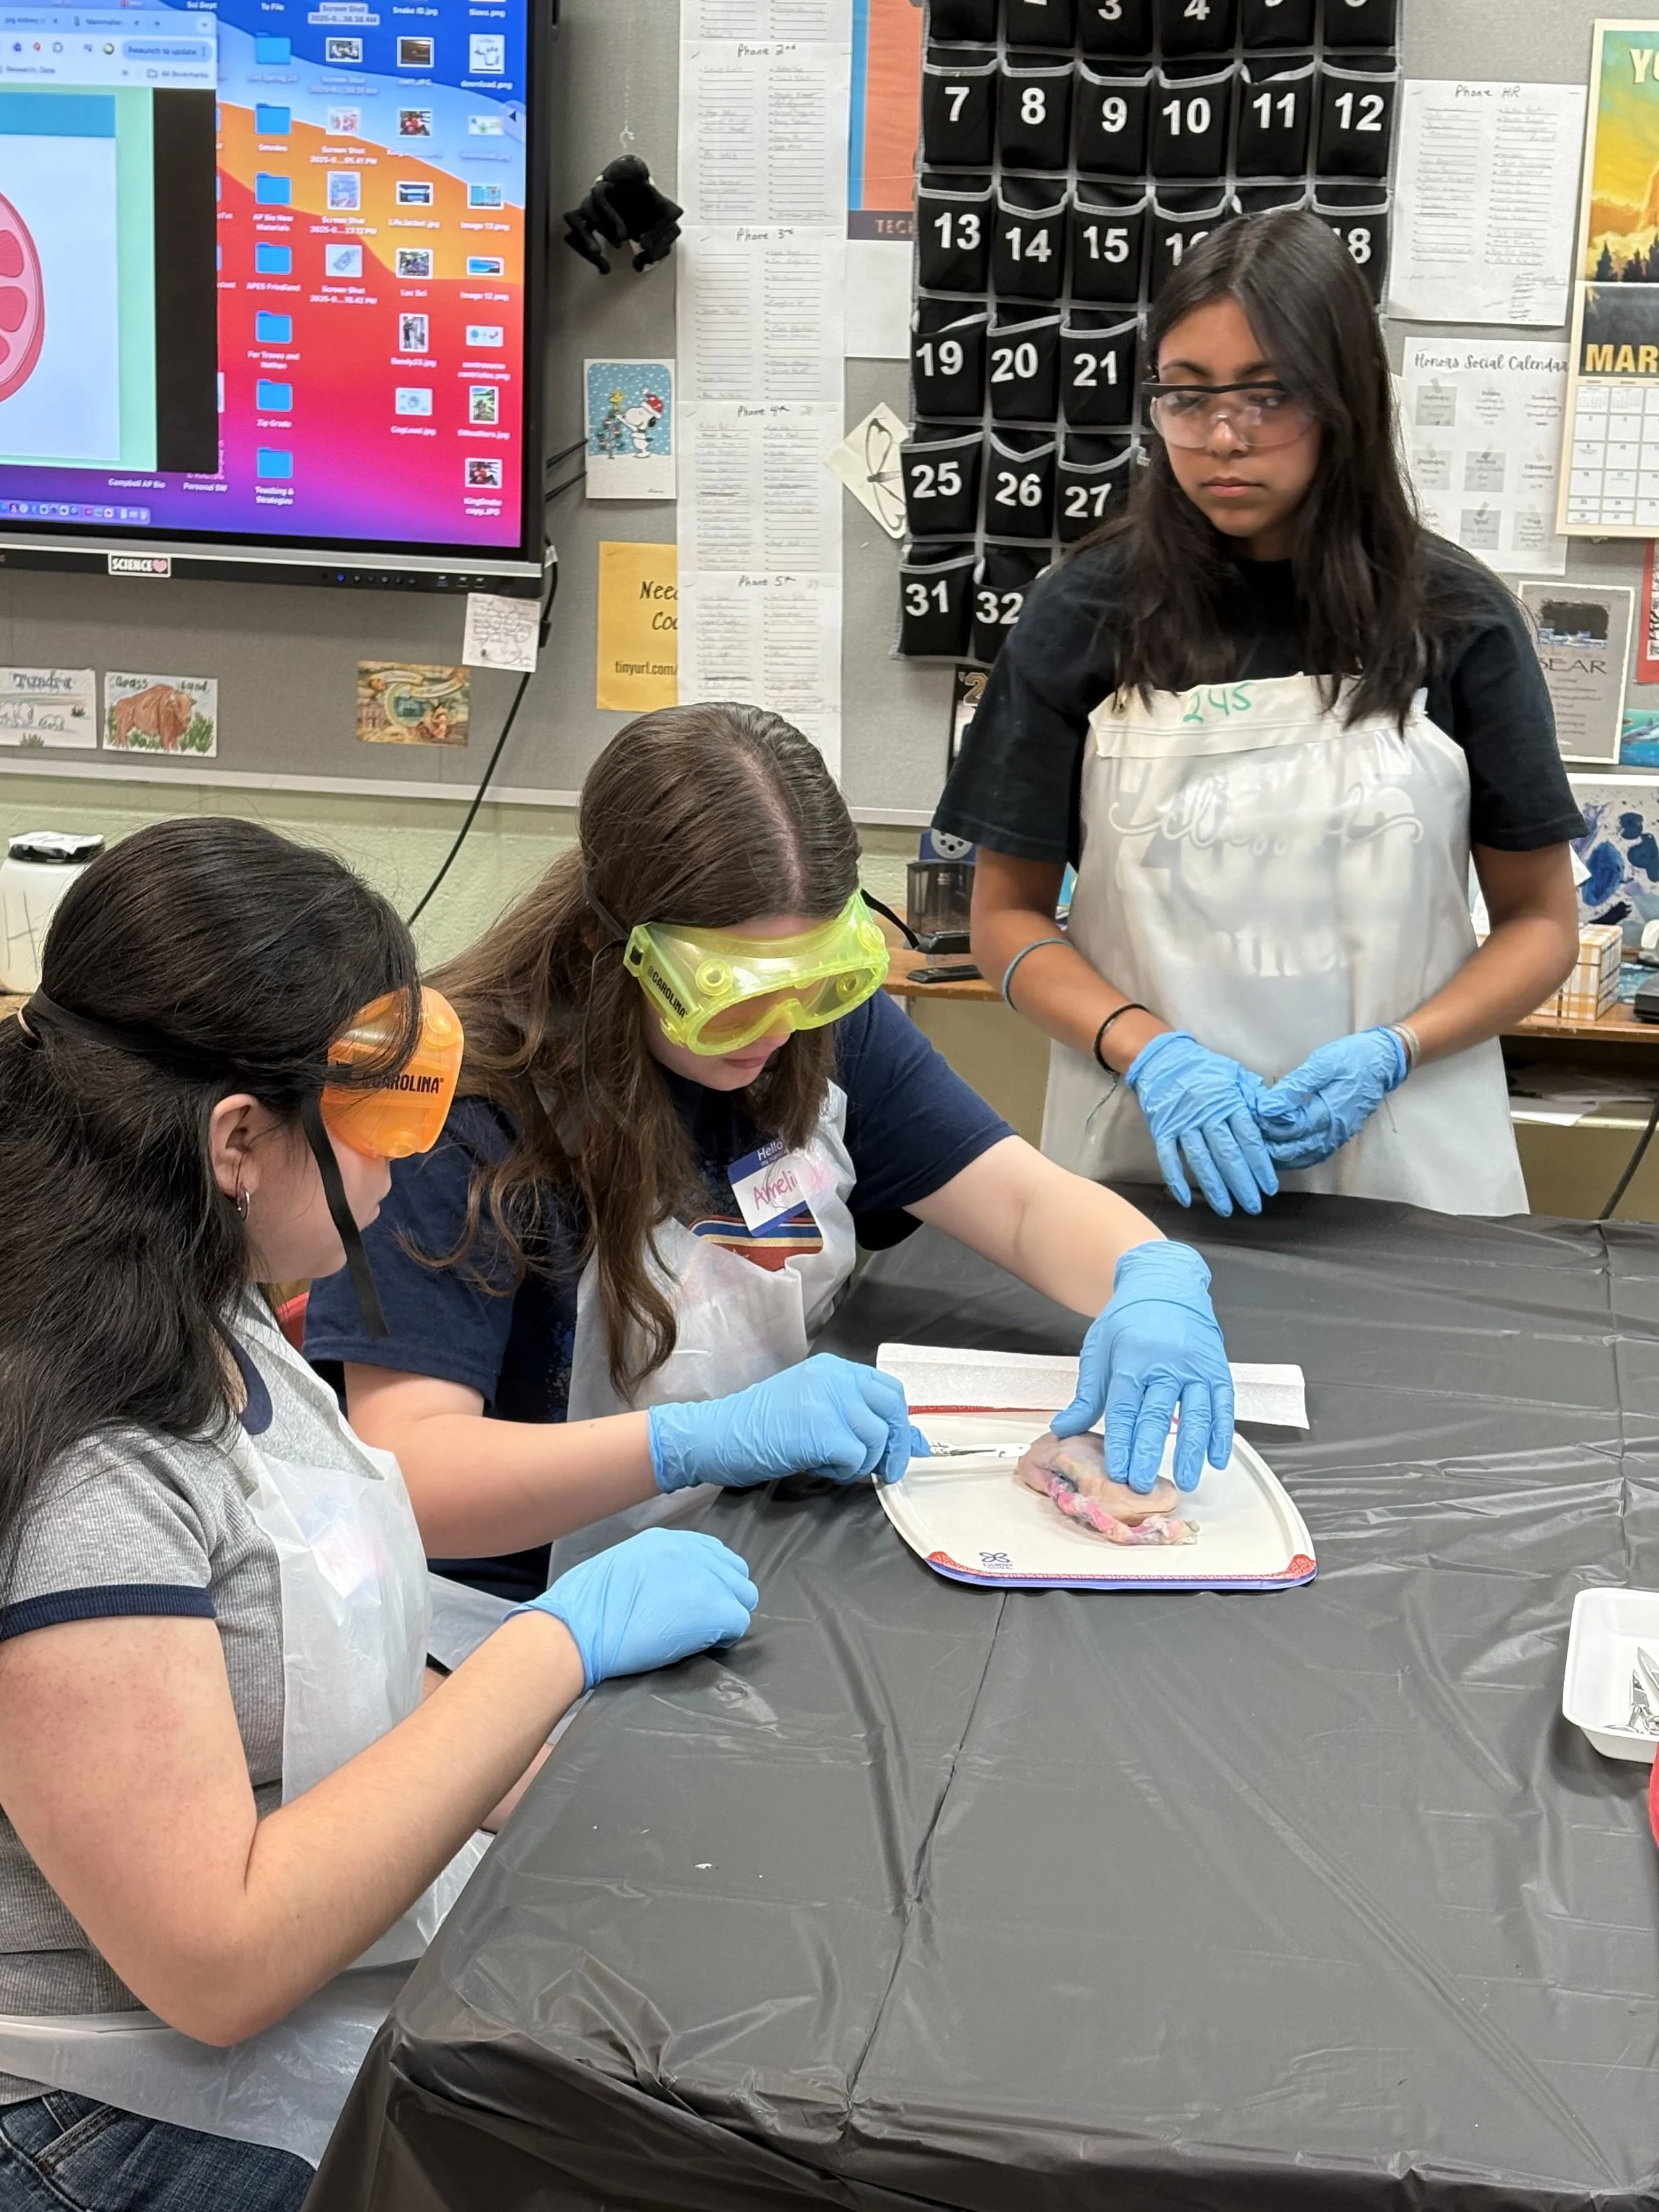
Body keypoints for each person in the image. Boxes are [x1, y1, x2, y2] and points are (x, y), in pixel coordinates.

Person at [0, 819, 759, 2211]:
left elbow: (304, 1647)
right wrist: (550, 1653)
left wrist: (582, 1781)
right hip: (92, 2107)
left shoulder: (210, 1296)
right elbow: (213, 1959)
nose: (403, 1161)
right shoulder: (85, 1463)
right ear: (238, 1136)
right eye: (378, 1113)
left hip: (245, 2007)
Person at [305, 701, 1238, 1600]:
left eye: (813, 981)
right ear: (611, 942)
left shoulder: (818, 1028)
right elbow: (415, 1476)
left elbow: (1026, 1204)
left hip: (753, 1540)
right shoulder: (461, 1115)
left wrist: (1150, 1277)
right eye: (733, 993)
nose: (777, 1031)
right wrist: (696, 1441)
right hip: (514, 1606)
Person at [934, 210, 1583, 1219]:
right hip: (1148, 1155)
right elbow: (1005, 921)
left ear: (1345, 398)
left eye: (1267, 395)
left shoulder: (1456, 619)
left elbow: (1542, 921)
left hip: (1411, 1162)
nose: (1222, 438)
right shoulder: (1085, 614)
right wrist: (1150, 1053)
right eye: (1186, 398)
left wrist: (1395, 1049)